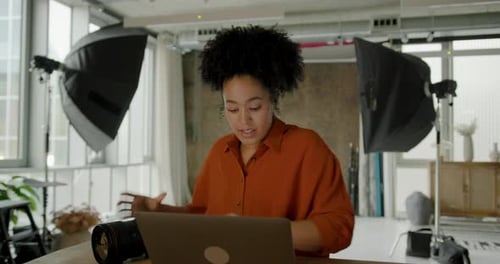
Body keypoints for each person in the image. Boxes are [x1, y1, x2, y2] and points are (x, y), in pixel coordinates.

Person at [120, 25, 354, 257]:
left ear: (273, 97)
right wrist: (157, 212)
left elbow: (338, 228)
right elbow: (204, 217)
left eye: (254, 107)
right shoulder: (219, 151)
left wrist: (256, 231)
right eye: (232, 109)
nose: (244, 120)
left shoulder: (307, 147)